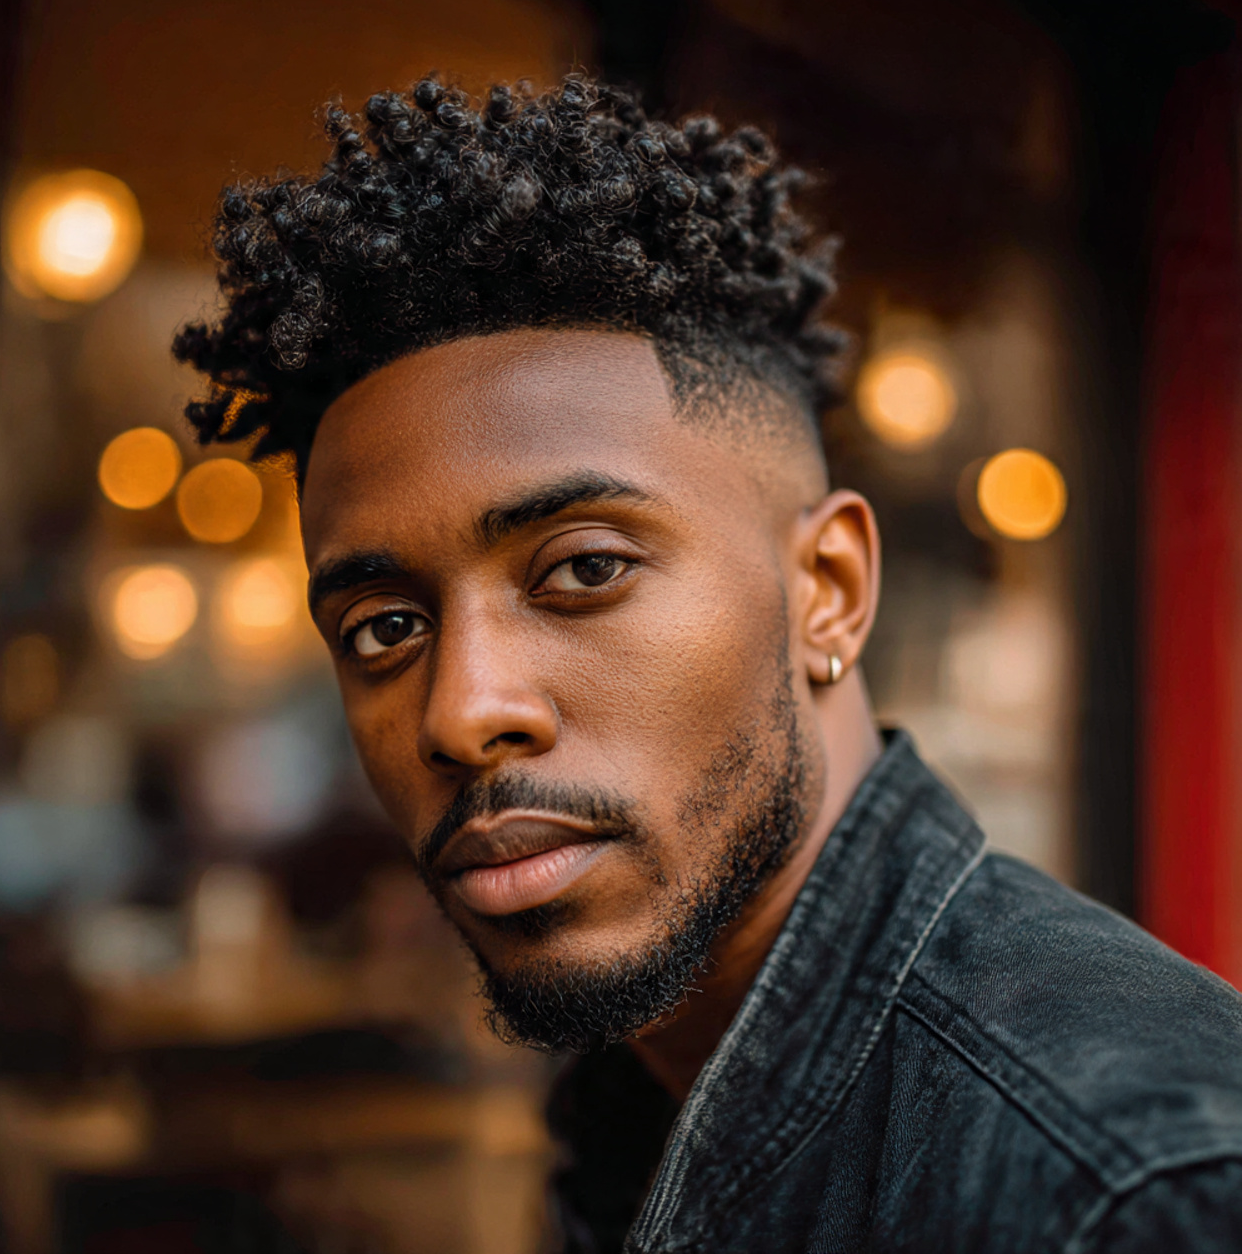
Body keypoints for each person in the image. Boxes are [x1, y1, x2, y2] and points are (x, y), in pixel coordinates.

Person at [175, 74, 1242, 1252]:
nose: (462, 711)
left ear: (825, 591)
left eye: (582, 570)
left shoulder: (1131, 1193)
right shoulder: (634, 1092)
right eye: (384, 626)